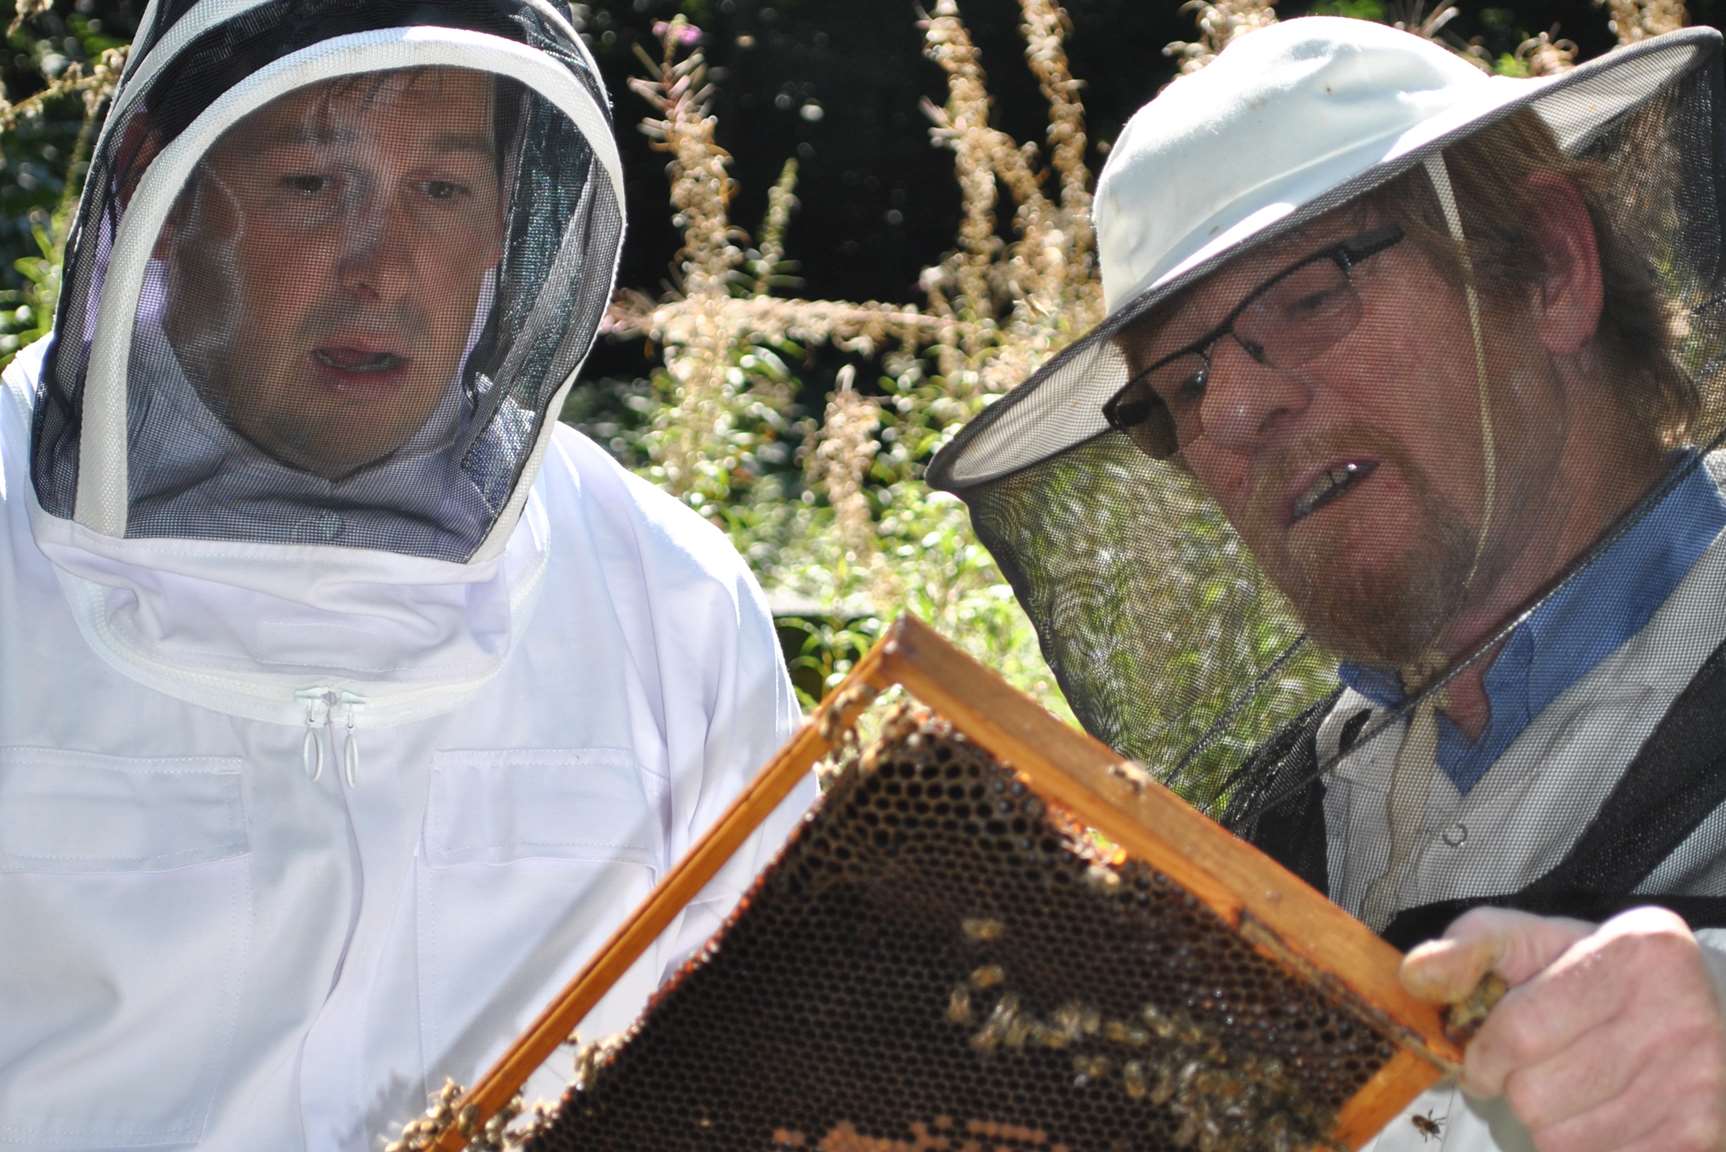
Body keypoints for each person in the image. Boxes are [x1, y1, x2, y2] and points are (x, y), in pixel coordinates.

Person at [0, 3, 811, 1148]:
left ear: (506, 221)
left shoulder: (668, 598)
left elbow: (784, 1045)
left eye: (441, 191)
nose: (380, 270)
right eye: (315, 184)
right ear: (160, 185)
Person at [929, 16, 1726, 1152]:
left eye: (1309, 296)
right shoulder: (1290, 812)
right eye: (1181, 379)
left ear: (1550, 266)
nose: (1233, 414)